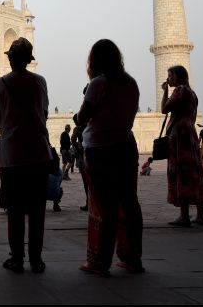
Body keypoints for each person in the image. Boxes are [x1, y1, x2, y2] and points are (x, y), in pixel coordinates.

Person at [75, 39, 144, 276]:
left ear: (94, 61)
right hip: (126, 145)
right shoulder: (131, 82)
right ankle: (133, 259)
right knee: (129, 202)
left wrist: (80, 115)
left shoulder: (99, 83)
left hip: (100, 149)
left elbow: (82, 117)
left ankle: (100, 261)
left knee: (106, 206)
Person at [0, 37, 53, 274]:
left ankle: (17, 259)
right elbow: (44, 111)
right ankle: (36, 259)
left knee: (14, 210)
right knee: (37, 209)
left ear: (10, 59)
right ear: (28, 60)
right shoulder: (39, 81)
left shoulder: (0, 84)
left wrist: (7, 127)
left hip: (12, 153)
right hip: (38, 151)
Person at [162, 65, 203, 226]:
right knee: (194, 173)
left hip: (179, 136)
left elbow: (164, 109)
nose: (169, 79)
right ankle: (201, 215)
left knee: (181, 172)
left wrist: (165, 91)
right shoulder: (192, 93)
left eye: (170, 75)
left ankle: (184, 216)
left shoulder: (180, 90)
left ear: (178, 76)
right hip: (190, 133)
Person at [72, 124, 89, 210]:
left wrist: (79, 149)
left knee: (86, 182)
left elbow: (73, 139)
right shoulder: (89, 126)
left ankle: (88, 202)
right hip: (92, 152)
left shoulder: (78, 128)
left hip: (83, 155)